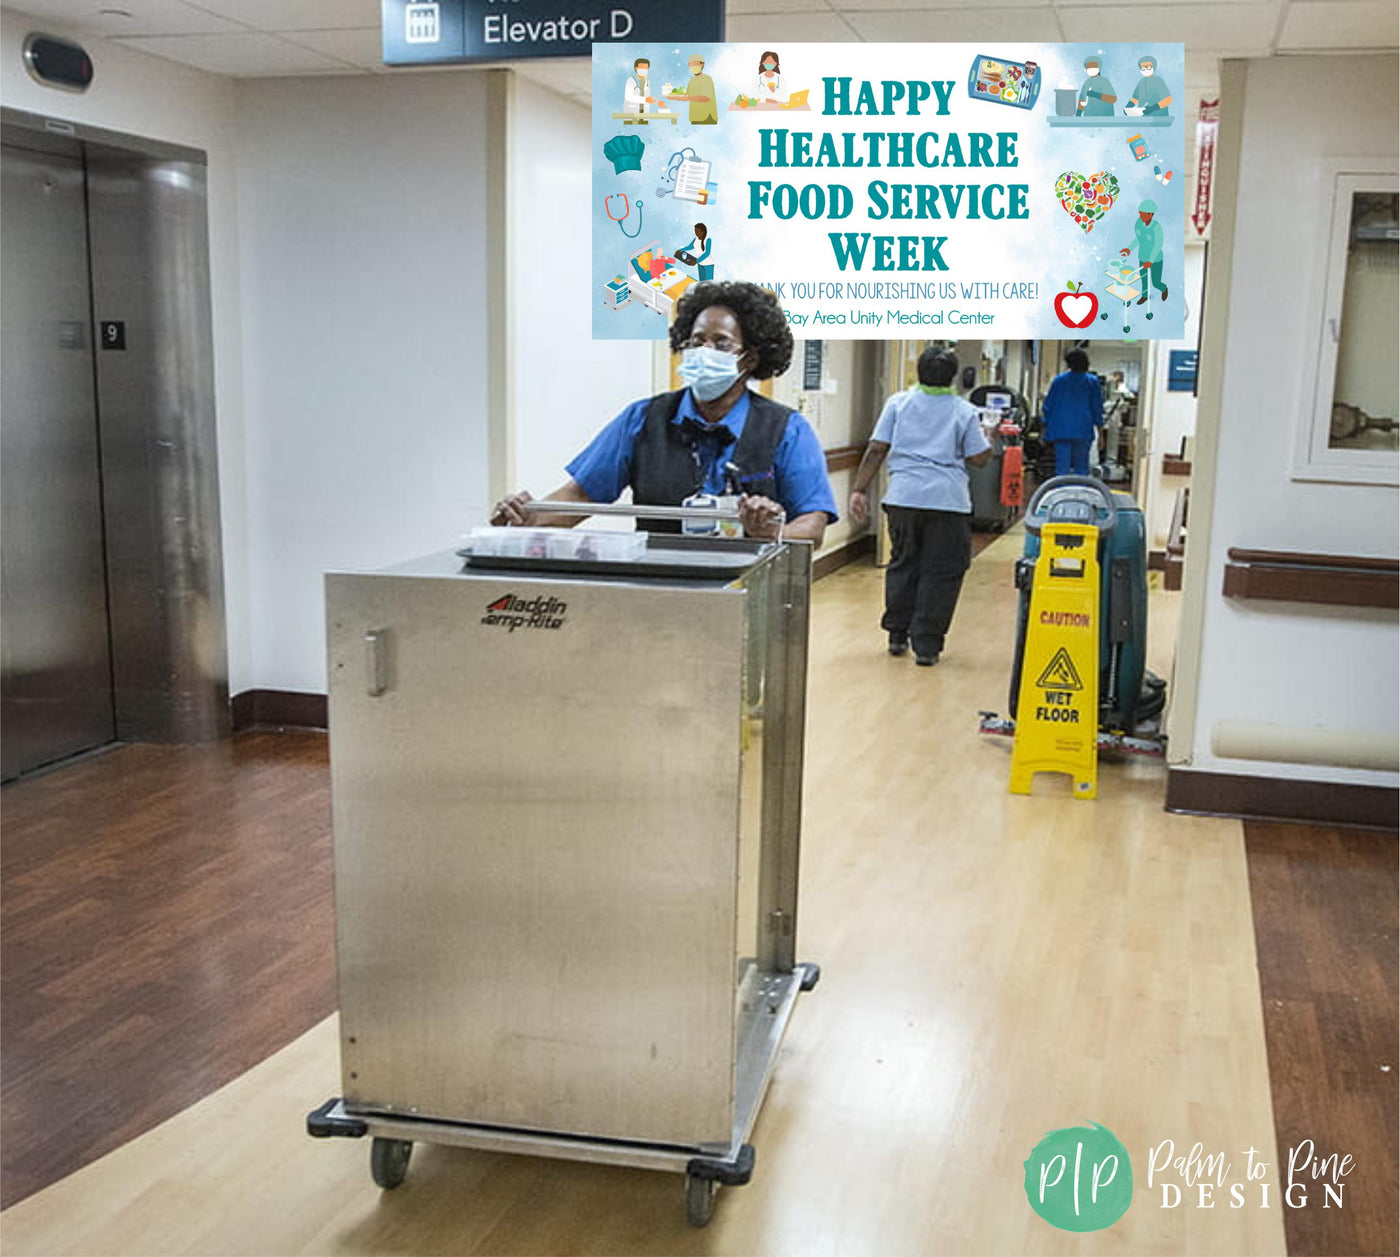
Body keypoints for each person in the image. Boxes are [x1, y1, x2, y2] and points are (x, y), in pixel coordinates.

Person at [491, 281, 836, 542]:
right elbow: (580, 495)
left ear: (752, 357)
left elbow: (813, 524)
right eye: (697, 341)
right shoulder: (643, 420)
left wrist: (771, 531)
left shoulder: (787, 430)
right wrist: (527, 517)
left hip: (753, 589)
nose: (705, 351)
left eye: (721, 343)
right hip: (661, 592)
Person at [848, 348, 992, 666]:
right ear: (953, 377)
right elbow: (979, 458)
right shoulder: (964, 411)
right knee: (943, 570)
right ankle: (927, 645)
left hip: (903, 498)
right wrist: (989, 437)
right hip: (948, 501)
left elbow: (876, 449)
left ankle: (897, 634)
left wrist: (859, 490)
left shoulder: (898, 403)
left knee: (903, 563)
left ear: (919, 371)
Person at [1041, 348, 1104, 477]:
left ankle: (1061, 493)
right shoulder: (1092, 382)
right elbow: (1097, 408)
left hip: (1061, 430)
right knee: (1081, 469)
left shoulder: (1059, 381)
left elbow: (1048, 407)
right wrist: (1101, 433)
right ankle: (1080, 494)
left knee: (1062, 469)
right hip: (1083, 430)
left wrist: (1043, 430)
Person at [1119, 198, 1168, 305]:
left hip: (1156, 259)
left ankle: (1163, 288)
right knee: (1144, 279)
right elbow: (1138, 238)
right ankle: (1145, 296)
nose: (1140, 216)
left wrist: (1151, 260)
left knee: (1155, 283)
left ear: (1151, 214)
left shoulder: (1156, 227)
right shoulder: (1138, 223)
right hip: (1142, 257)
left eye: (1143, 214)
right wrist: (1129, 249)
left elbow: (1158, 245)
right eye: (1139, 213)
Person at [671, 54, 717, 125]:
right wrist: (672, 96)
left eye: (694, 65)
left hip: (707, 117)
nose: (692, 67)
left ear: (702, 64)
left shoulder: (707, 79)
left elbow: (706, 98)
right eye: (690, 65)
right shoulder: (691, 80)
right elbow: (687, 96)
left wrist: (687, 98)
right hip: (695, 116)